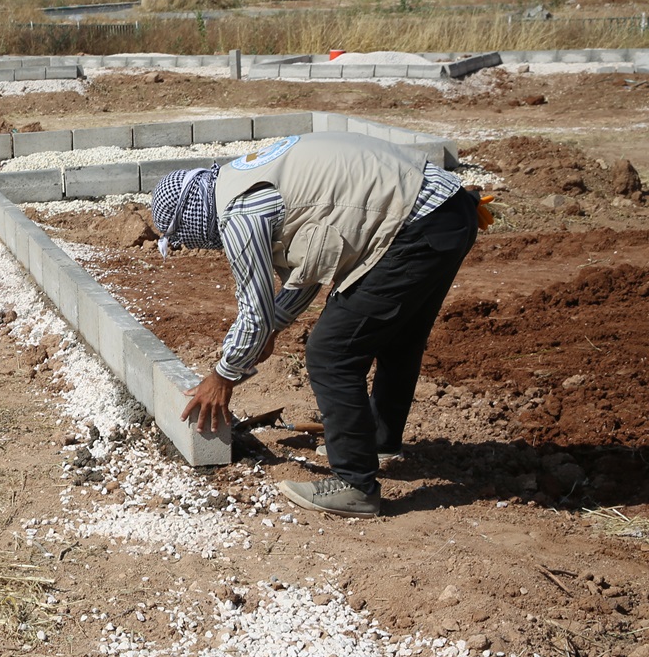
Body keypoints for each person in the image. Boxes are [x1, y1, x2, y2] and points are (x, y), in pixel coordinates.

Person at [149, 131, 484, 519]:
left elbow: (254, 312)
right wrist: (274, 327)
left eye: (184, 238)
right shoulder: (243, 178)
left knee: (331, 353)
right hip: (447, 208)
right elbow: (316, 261)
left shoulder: (238, 214)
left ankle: (355, 486)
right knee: (397, 338)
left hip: (414, 223)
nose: (195, 245)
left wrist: (223, 375)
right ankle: (377, 441)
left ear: (191, 217)